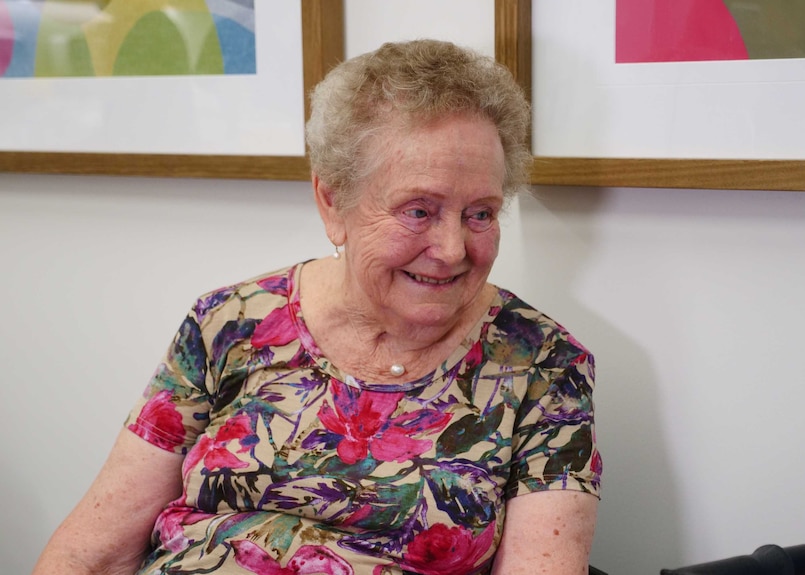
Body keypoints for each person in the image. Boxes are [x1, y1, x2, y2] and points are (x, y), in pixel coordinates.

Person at [32, 39, 601, 575]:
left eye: (481, 213)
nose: (453, 249)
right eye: (419, 211)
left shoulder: (543, 366)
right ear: (333, 202)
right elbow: (93, 552)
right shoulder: (229, 324)